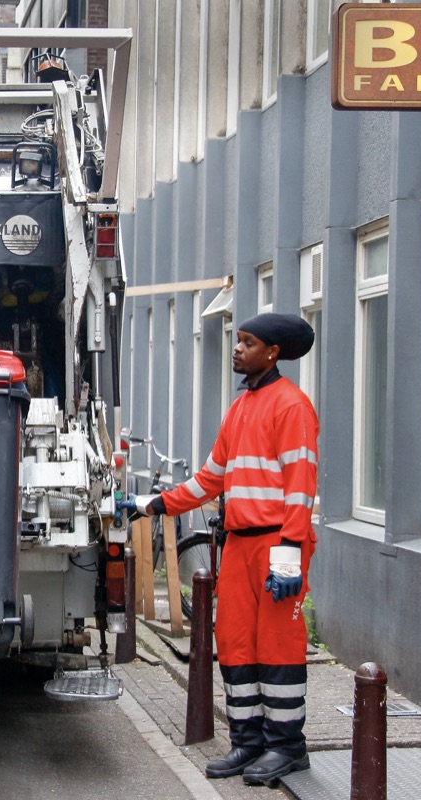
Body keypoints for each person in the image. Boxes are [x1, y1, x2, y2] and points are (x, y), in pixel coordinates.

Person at [129, 312, 319, 785]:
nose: (237, 349)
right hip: (238, 544)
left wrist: (291, 553)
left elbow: (300, 489)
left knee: (277, 646)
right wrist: (156, 505)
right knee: (233, 643)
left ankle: (287, 747)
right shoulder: (240, 409)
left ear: (272, 352)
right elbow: (211, 478)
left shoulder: (292, 406)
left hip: (278, 542)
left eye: (247, 342)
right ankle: (248, 743)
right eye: (238, 341)